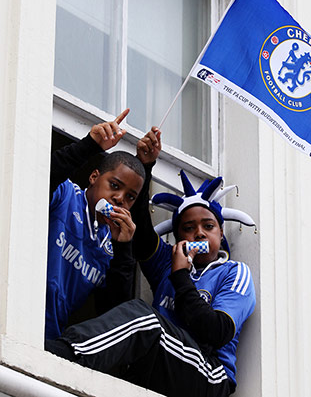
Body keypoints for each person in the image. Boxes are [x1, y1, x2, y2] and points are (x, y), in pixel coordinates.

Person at [46, 129, 256, 397]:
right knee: (136, 323)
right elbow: (142, 235)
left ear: (221, 233)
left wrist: (180, 278)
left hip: (209, 375)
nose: (199, 233)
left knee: (146, 320)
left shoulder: (233, 272)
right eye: (189, 228)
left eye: (208, 226)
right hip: (157, 369)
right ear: (178, 236)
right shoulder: (166, 262)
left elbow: (217, 332)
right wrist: (146, 164)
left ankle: (64, 354)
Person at [46, 109, 145, 340]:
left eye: (130, 197)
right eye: (114, 185)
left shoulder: (110, 247)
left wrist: (123, 249)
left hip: (49, 336)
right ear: (93, 177)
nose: (120, 198)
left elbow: (112, 314)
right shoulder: (66, 194)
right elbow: (39, 176)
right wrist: (90, 145)